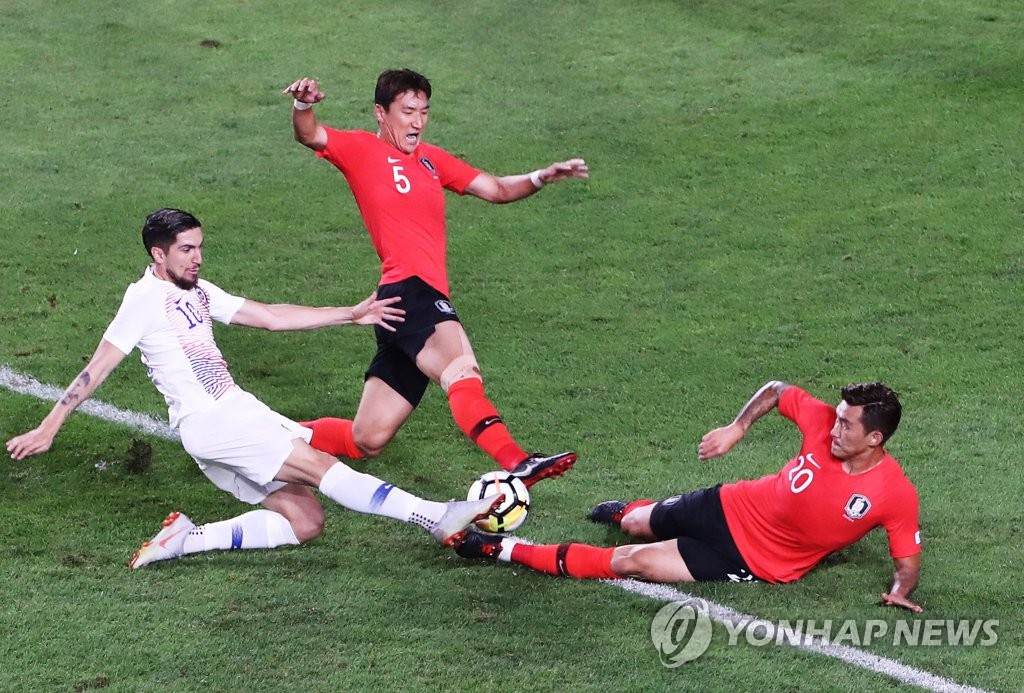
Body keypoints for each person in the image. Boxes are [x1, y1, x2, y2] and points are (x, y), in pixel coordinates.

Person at [6, 208, 505, 569]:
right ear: (158, 254)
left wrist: (348, 314)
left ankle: (184, 539)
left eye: (200, 246)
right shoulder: (143, 300)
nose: (198, 258)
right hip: (215, 421)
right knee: (321, 466)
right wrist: (49, 427)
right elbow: (96, 368)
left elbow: (268, 316)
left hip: (231, 414)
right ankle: (435, 515)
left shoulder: (198, 291)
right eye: (186, 250)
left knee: (305, 521)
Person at [281, 69, 589, 488]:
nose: (418, 121)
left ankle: (264, 432)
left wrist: (540, 177)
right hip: (412, 291)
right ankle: (518, 461)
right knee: (461, 372)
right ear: (381, 112)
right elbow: (310, 134)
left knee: (367, 437)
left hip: (394, 307)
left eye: (424, 112)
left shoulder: (431, 160)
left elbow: (496, 189)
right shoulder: (361, 148)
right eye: (408, 111)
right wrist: (303, 103)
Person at [455, 381, 925, 612]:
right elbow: (778, 390)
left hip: (750, 559)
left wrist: (900, 592)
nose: (834, 427)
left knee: (631, 561)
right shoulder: (823, 422)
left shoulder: (894, 493)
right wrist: (737, 427)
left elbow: (907, 561)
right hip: (731, 503)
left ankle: (500, 548)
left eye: (847, 424)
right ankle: (629, 512)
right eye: (837, 417)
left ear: (875, 438)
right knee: (634, 524)